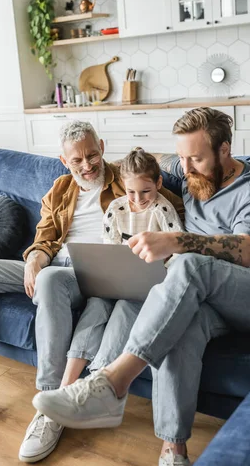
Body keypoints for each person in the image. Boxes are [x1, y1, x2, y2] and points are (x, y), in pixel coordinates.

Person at [32, 107, 250, 466]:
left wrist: (176, 243)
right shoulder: (190, 177)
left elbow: (248, 250)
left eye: (196, 158)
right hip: (207, 296)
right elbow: (136, 170)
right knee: (176, 318)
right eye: (181, 159)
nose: (187, 168)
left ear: (224, 150)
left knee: (186, 264)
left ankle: (113, 384)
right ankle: (173, 452)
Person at [0, 121, 183, 444]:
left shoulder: (124, 182)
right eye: (76, 160)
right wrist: (35, 257)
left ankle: (50, 404)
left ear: (102, 148)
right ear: (64, 161)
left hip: (93, 275)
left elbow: (168, 205)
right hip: (56, 263)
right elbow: (45, 236)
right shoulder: (61, 189)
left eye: (91, 155)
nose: (86, 165)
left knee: (49, 279)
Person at [56, 148, 184, 409]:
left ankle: (96, 383)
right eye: (131, 192)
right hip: (117, 279)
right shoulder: (116, 208)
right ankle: (65, 386)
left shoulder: (163, 209)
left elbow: (177, 253)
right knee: (96, 306)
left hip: (149, 284)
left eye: (146, 191)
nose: (138, 199)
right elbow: (109, 248)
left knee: (125, 307)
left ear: (158, 183)